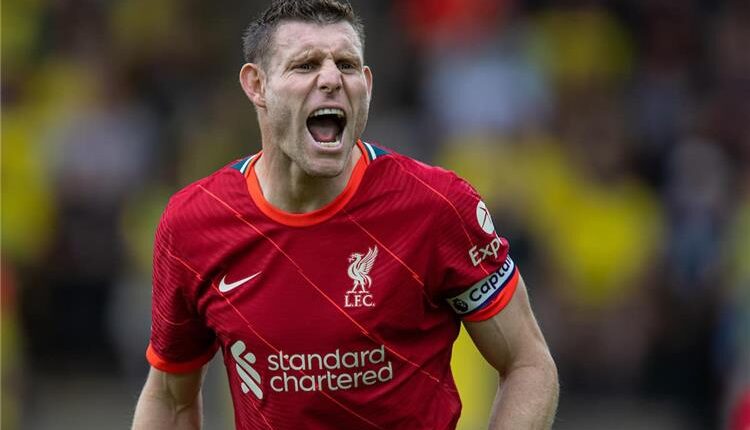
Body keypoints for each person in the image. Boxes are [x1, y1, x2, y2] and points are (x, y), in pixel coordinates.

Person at [131, 1, 558, 428]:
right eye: (305, 65)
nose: (332, 79)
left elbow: (527, 362)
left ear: (366, 85)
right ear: (257, 85)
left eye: (347, 65)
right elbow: (170, 398)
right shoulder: (194, 224)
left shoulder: (436, 205)